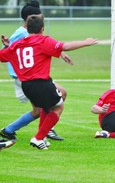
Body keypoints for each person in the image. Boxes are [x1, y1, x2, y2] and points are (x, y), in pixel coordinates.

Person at [0, 14, 98, 149]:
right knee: (58, 107)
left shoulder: (16, 45)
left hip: (26, 86)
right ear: (42, 29)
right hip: (41, 83)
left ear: (27, 28)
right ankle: (38, 138)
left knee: (46, 107)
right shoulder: (43, 40)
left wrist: (7, 46)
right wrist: (86, 42)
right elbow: (66, 46)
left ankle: (41, 138)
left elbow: (2, 56)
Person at [0, 0, 70, 143]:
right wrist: (7, 45)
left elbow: (37, 47)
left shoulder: (28, 32)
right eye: (38, 15)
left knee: (42, 107)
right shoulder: (22, 33)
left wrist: (61, 53)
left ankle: (11, 130)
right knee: (56, 98)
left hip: (29, 76)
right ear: (29, 19)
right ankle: (42, 133)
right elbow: (15, 50)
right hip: (26, 77)